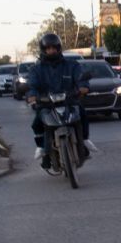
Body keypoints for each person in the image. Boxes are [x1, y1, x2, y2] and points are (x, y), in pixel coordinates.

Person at [26, 33, 93, 170]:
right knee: (37, 123)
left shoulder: (71, 65)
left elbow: (80, 78)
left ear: (59, 48)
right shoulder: (36, 69)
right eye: (48, 48)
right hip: (47, 104)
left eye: (54, 48)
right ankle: (42, 148)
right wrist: (32, 95)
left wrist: (83, 87)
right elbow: (32, 85)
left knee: (82, 112)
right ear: (43, 50)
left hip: (69, 101)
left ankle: (85, 141)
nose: (51, 51)